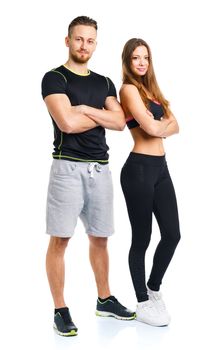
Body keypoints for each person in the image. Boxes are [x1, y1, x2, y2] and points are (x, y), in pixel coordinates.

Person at [41, 16, 135, 337]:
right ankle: (60, 309)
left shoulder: (105, 83)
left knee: (100, 238)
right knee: (61, 239)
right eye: (79, 39)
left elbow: (121, 121)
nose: (85, 46)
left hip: (100, 168)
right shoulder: (54, 79)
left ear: (96, 43)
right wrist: (97, 115)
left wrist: (84, 109)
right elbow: (66, 123)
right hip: (67, 167)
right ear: (68, 41)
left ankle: (104, 299)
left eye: (90, 40)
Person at [119, 38, 181, 327]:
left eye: (145, 57)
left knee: (172, 234)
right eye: (136, 58)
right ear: (128, 62)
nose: (141, 62)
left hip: (161, 168)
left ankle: (153, 288)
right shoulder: (128, 89)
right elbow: (154, 126)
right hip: (139, 170)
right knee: (142, 238)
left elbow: (176, 124)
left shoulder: (151, 91)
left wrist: (163, 125)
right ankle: (142, 301)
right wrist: (162, 125)